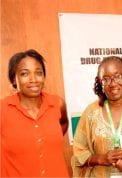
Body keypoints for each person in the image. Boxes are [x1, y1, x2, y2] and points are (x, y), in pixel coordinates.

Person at [72, 56, 122, 177]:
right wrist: (101, 159)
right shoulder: (91, 112)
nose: (113, 83)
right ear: (100, 84)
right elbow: (79, 153)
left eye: (118, 76)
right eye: (106, 79)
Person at [0, 49, 69, 177]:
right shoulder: (3, 109)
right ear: (14, 80)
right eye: (25, 74)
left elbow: (63, 124)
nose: (33, 79)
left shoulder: (57, 104)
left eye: (38, 73)